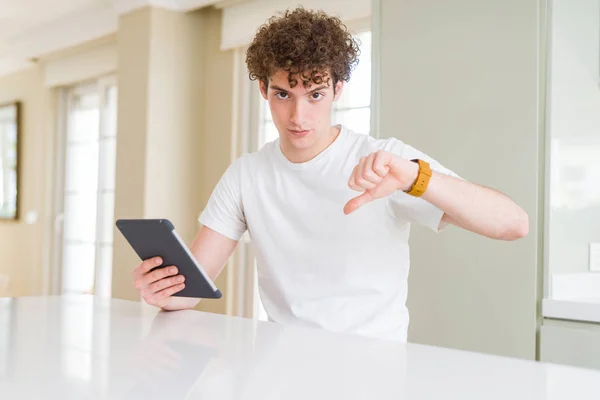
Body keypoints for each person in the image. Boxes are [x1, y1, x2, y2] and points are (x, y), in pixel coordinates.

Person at [132, 7, 529, 342]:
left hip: (374, 369)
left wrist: (414, 178)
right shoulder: (246, 175)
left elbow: (513, 224)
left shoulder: (385, 160)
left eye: (315, 95)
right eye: (283, 94)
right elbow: (191, 287)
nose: (298, 116)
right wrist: (161, 291)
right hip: (283, 364)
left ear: (338, 89)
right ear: (263, 91)